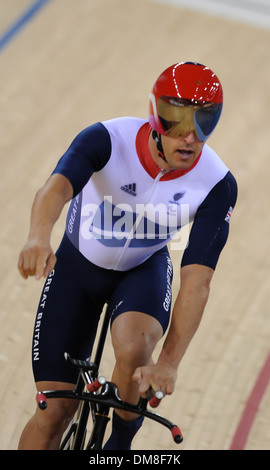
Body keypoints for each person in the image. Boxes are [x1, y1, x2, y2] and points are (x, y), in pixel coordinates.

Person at [17, 62, 237, 450]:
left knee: (136, 348)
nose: (189, 137)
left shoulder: (216, 183)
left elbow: (198, 281)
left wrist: (168, 362)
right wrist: (38, 237)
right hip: (76, 267)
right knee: (52, 412)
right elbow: (54, 188)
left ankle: (118, 446)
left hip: (142, 270)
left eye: (203, 122)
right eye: (175, 121)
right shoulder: (106, 139)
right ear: (155, 113)